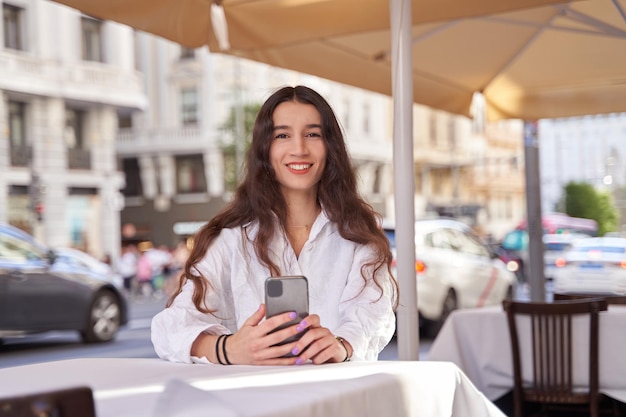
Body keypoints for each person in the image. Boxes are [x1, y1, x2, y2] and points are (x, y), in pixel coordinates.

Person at [151, 85, 398, 366]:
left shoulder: (359, 236)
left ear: (331, 146)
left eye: (312, 134)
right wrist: (228, 349)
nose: (299, 149)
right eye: (283, 135)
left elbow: (373, 316)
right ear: (265, 149)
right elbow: (169, 329)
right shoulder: (232, 238)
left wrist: (342, 344)